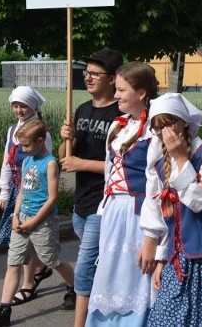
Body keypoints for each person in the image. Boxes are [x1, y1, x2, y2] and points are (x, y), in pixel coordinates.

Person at [140, 93, 202, 326]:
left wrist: (181, 158)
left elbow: (198, 201)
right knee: (164, 318)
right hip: (177, 258)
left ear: (183, 121)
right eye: (158, 128)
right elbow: (168, 219)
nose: (166, 133)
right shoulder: (160, 163)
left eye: (169, 123)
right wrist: (161, 259)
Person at [0, 121, 75, 327]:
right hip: (22, 220)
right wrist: (16, 215)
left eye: (26, 145)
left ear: (40, 141)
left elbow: (52, 198)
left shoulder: (50, 163)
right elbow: (21, 191)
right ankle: (3, 310)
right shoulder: (27, 161)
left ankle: (74, 288)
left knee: (52, 260)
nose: (23, 149)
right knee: (13, 263)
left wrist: (34, 222)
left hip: (43, 222)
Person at [85, 61, 159, 326]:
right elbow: (109, 173)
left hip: (139, 213)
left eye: (121, 90)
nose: (115, 95)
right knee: (110, 272)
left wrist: (153, 237)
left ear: (141, 93)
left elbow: (158, 184)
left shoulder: (155, 129)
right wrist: (104, 207)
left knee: (136, 274)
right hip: (114, 210)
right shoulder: (118, 126)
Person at [58, 47, 123, 322]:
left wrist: (81, 164)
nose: (89, 77)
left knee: (84, 268)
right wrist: (65, 138)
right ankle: (111, 308)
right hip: (81, 204)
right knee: (100, 264)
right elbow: (64, 158)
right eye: (87, 72)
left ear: (112, 78)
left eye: (96, 73)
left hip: (103, 203)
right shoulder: (82, 108)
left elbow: (122, 166)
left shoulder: (119, 114)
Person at [0, 86, 53, 307]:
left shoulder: (41, 132)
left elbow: (46, 163)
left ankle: (29, 284)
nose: (19, 110)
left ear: (33, 106)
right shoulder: (13, 130)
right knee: (21, 238)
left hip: (33, 190)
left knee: (27, 239)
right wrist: (4, 190)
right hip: (18, 189)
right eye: (16, 105)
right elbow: (7, 162)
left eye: (24, 105)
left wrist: (39, 193)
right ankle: (39, 270)